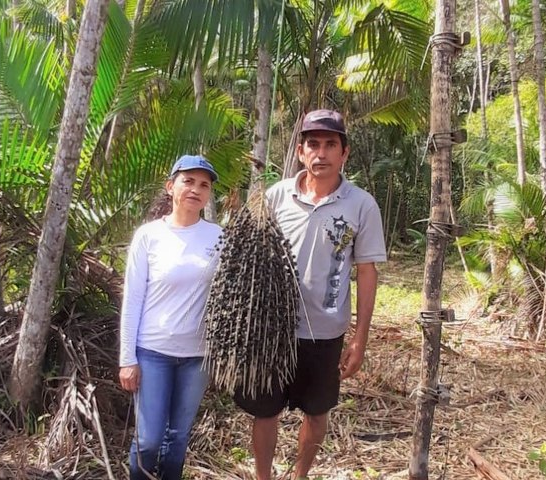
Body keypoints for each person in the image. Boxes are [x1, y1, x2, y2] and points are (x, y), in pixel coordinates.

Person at [234, 109, 387, 479]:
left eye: (330, 145)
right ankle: (263, 477)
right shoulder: (277, 196)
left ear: (344, 153)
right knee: (265, 411)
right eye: (313, 144)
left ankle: (300, 474)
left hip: (324, 331)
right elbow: (250, 258)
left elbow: (367, 271)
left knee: (317, 413)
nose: (321, 153)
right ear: (301, 152)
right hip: (272, 330)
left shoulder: (361, 204)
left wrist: (360, 338)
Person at [119, 154, 222, 480]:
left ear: (208, 195)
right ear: (170, 187)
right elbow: (132, 299)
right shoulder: (148, 236)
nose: (195, 189)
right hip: (153, 353)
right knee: (149, 441)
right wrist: (127, 358)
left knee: (177, 438)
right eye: (188, 181)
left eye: (203, 185)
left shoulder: (220, 237)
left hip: (197, 356)